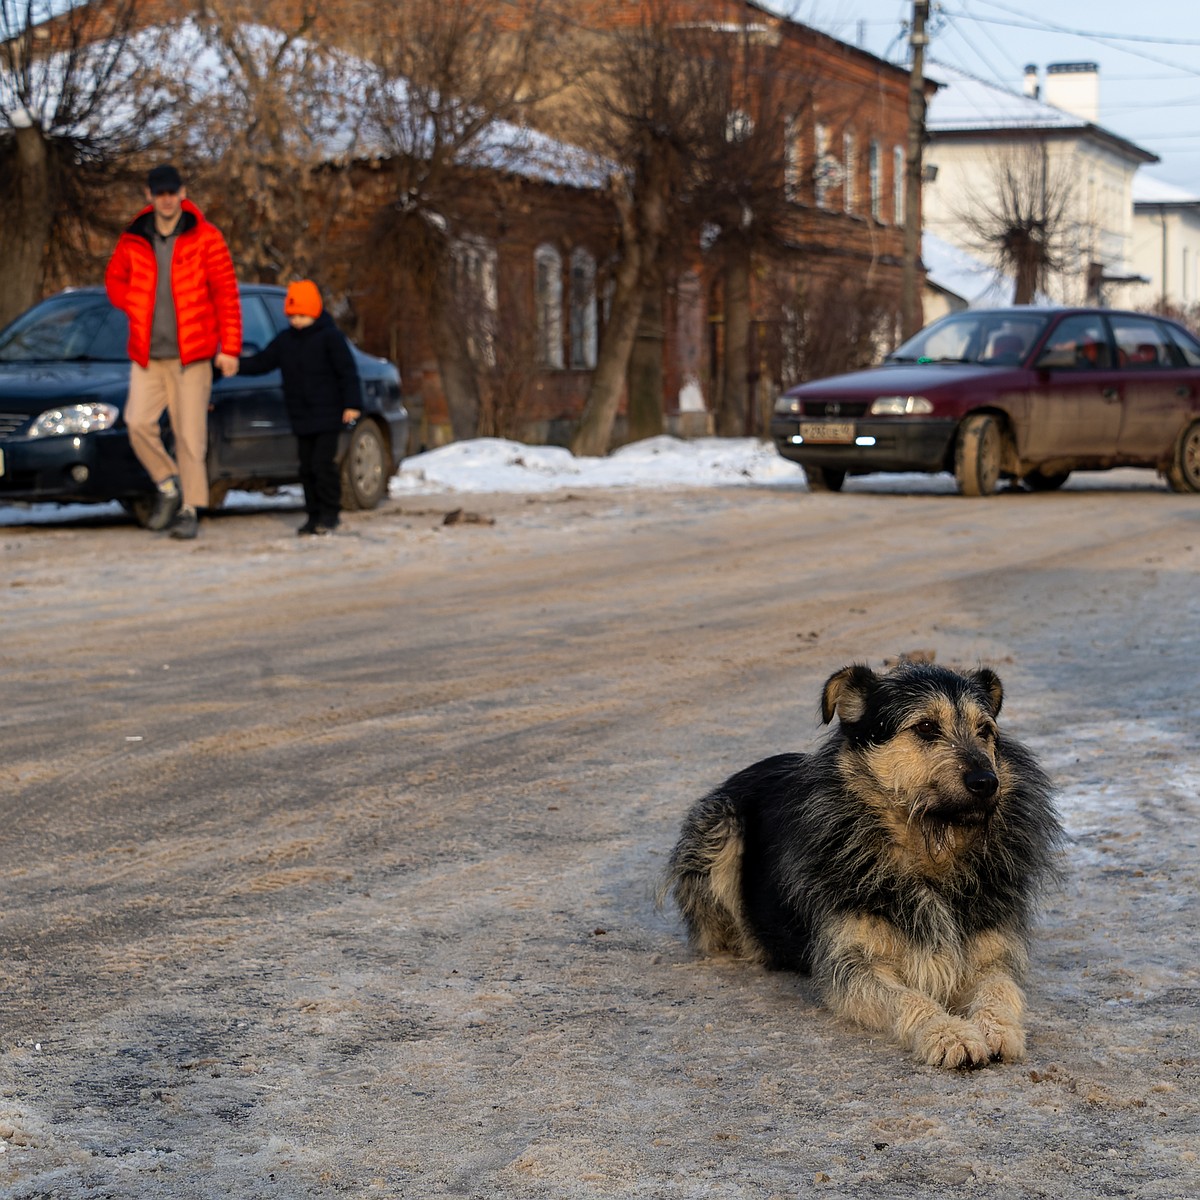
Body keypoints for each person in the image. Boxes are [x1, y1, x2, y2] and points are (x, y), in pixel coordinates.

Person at [105, 164, 242, 540]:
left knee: (189, 435)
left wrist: (229, 348)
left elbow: (227, 295)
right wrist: (132, 302)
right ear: (149, 196)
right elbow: (114, 279)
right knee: (136, 423)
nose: (166, 199)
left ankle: (189, 509)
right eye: (159, 192)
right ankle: (168, 485)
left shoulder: (206, 237)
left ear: (182, 192)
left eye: (172, 191)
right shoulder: (134, 238)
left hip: (192, 357)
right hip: (147, 357)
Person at [236, 280, 361, 535]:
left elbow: (347, 372)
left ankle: (329, 513)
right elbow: (263, 362)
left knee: (322, 465)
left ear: (314, 312)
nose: (297, 321)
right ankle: (312, 515)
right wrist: (234, 365)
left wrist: (352, 404)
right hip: (300, 415)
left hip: (328, 414)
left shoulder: (330, 338)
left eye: (302, 315)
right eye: (292, 316)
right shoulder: (286, 341)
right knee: (305, 468)